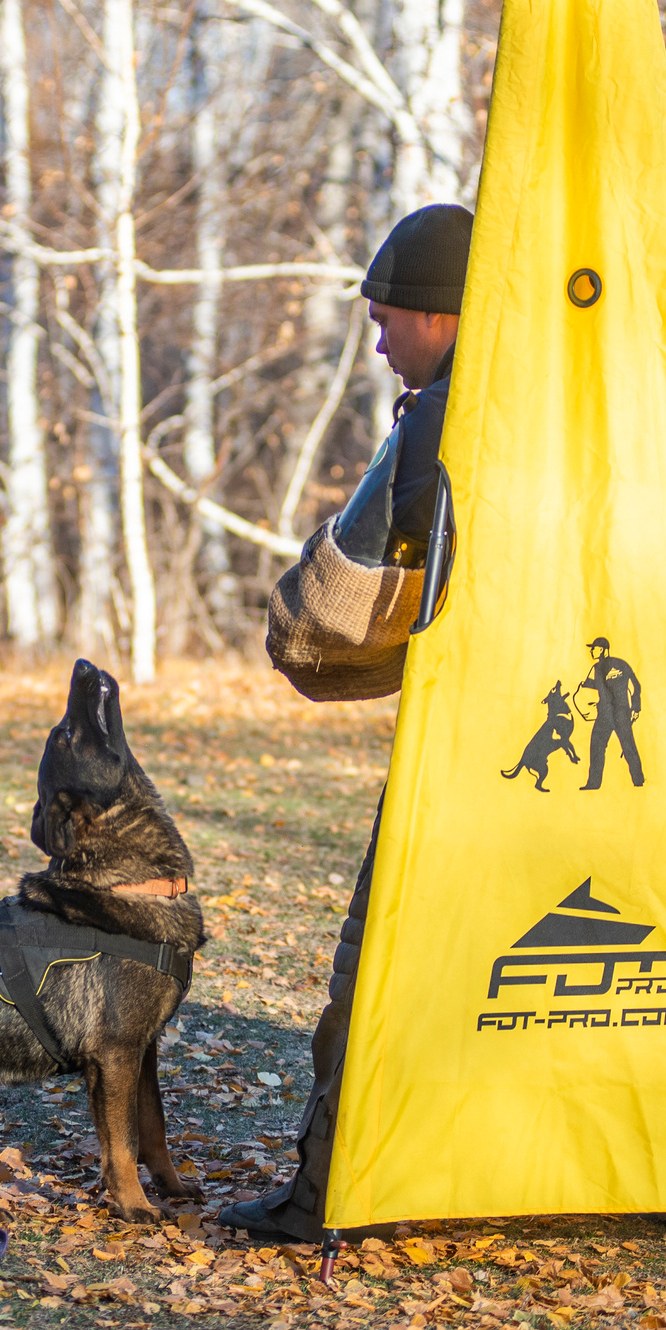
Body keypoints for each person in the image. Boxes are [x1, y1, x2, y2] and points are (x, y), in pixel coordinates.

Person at [218, 203, 470, 1245]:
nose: (376, 344)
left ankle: (332, 1186)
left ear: (440, 317)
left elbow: (319, 624)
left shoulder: (443, 420)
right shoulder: (616, 409)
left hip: (476, 749)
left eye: (384, 320)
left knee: (386, 960)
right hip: (627, 770)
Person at [576, 636, 644, 789]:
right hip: (605, 714)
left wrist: (636, 708)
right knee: (596, 746)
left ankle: (639, 781)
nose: (592, 650)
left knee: (628, 746)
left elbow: (635, 685)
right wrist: (586, 684)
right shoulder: (595, 668)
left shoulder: (620, 664)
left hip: (621, 713)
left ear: (603, 650)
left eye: (595, 648)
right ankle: (593, 784)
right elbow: (601, 686)